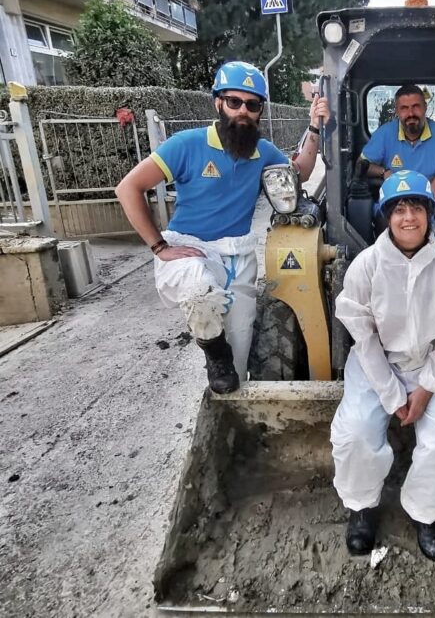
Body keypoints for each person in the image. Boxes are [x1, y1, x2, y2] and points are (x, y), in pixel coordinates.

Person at [116, 61, 329, 394]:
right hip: (189, 248)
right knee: (199, 289)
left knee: (239, 355)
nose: (243, 111)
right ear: (218, 102)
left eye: (252, 104)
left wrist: (314, 127)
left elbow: (300, 171)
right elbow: (128, 188)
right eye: (234, 102)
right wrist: (160, 246)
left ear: (260, 110)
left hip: (239, 255)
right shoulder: (186, 144)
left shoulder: (262, 152)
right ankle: (214, 354)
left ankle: (231, 411)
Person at [330, 170, 435, 561]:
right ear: (385, 216)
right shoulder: (366, 265)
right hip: (378, 365)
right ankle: (361, 507)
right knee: (356, 430)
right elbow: (362, 335)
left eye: (416, 207)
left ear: (430, 214)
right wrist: (392, 394)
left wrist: (426, 388)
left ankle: (426, 514)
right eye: (398, 209)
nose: (408, 217)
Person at [360, 83, 435, 244]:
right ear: (397, 111)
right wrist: (384, 172)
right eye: (404, 108)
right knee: (380, 218)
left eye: (416, 107)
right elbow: (362, 164)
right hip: (393, 200)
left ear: (425, 107)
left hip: (433, 202)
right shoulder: (384, 134)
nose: (411, 113)